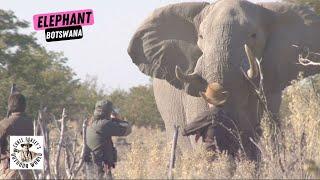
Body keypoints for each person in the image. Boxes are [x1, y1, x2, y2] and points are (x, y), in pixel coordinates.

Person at [85, 100, 131, 179]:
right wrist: (117, 119)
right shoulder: (104, 124)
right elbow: (127, 129)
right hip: (101, 166)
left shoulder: (92, 122)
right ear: (108, 112)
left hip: (92, 164)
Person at [0, 93, 34, 179]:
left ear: (10, 106)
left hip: (10, 170)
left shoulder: (5, 123)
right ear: (24, 106)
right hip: (30, 170)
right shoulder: (32, 123)